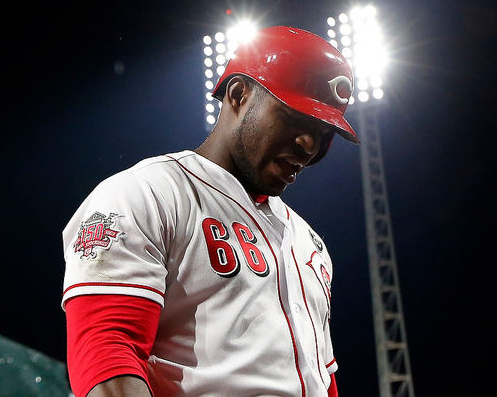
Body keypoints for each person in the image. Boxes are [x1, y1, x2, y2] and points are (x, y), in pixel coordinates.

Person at [61, 26, 358, 396]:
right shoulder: (148, 193)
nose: (309, 145)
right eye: (296, 119)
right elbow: (107, 351)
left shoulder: (311, 244)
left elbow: (322, 378)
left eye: (323, 132)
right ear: (238, 94)